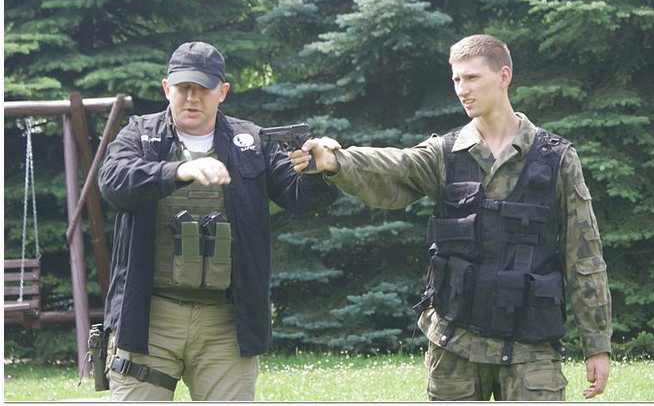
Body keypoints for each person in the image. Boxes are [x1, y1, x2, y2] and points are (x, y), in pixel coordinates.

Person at [292, 34, 612, 401]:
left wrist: (597, 344)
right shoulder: (444, 154)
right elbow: (396, 167)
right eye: (457, 79)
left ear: (504, 76)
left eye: (472, 78)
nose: (462, 90)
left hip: (530, 348)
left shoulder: (556, 159)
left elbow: (584, 256)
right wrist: (336, 160)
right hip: (454, 343)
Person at [97, 41, 337, 401]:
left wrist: (319, 169)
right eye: (183, 88)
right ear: (167, 88)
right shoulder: (140, 135)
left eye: (203, 88)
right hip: (149, 319)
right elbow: (113, 182)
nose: (192, 97)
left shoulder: (251, 141)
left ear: (222, 92)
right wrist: (179, 170)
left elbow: (300, 198)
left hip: (226, 324)